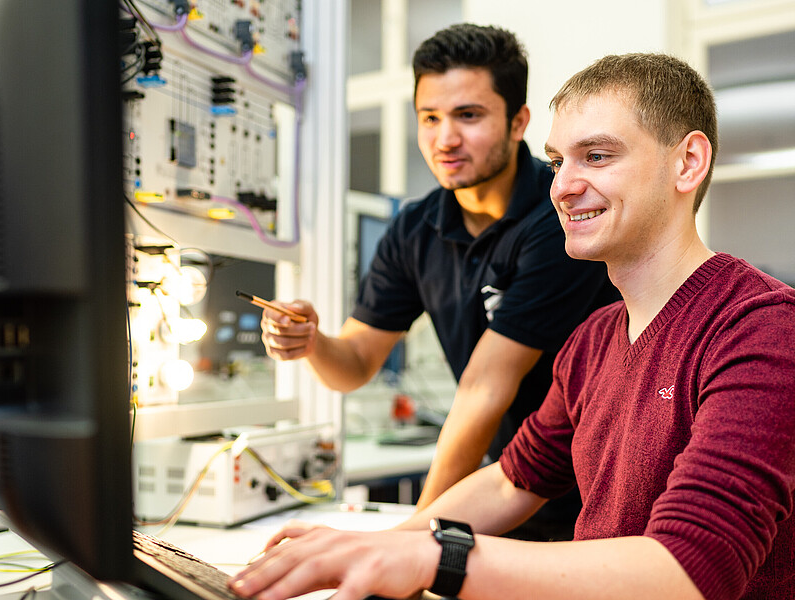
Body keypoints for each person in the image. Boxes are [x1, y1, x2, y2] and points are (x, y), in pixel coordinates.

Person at [229, 53, 795, 600]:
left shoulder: (760, 328)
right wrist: (378, 546)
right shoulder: (593, 340)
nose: (562, 187)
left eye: (596, 156)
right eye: (556, 162)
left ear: (688, 163)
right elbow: (510, 480)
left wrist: (432, 556)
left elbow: (689, 573)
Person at [259, 24, 617, 535]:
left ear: (518, 122)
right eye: (430, 117)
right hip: (503, 484)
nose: (444, 139)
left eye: (468, 116)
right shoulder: (415, 228)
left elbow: (484, 388)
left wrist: (407, 538)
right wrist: (313, 342)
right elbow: (356, 363)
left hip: (593, 491)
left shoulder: (559, 216)